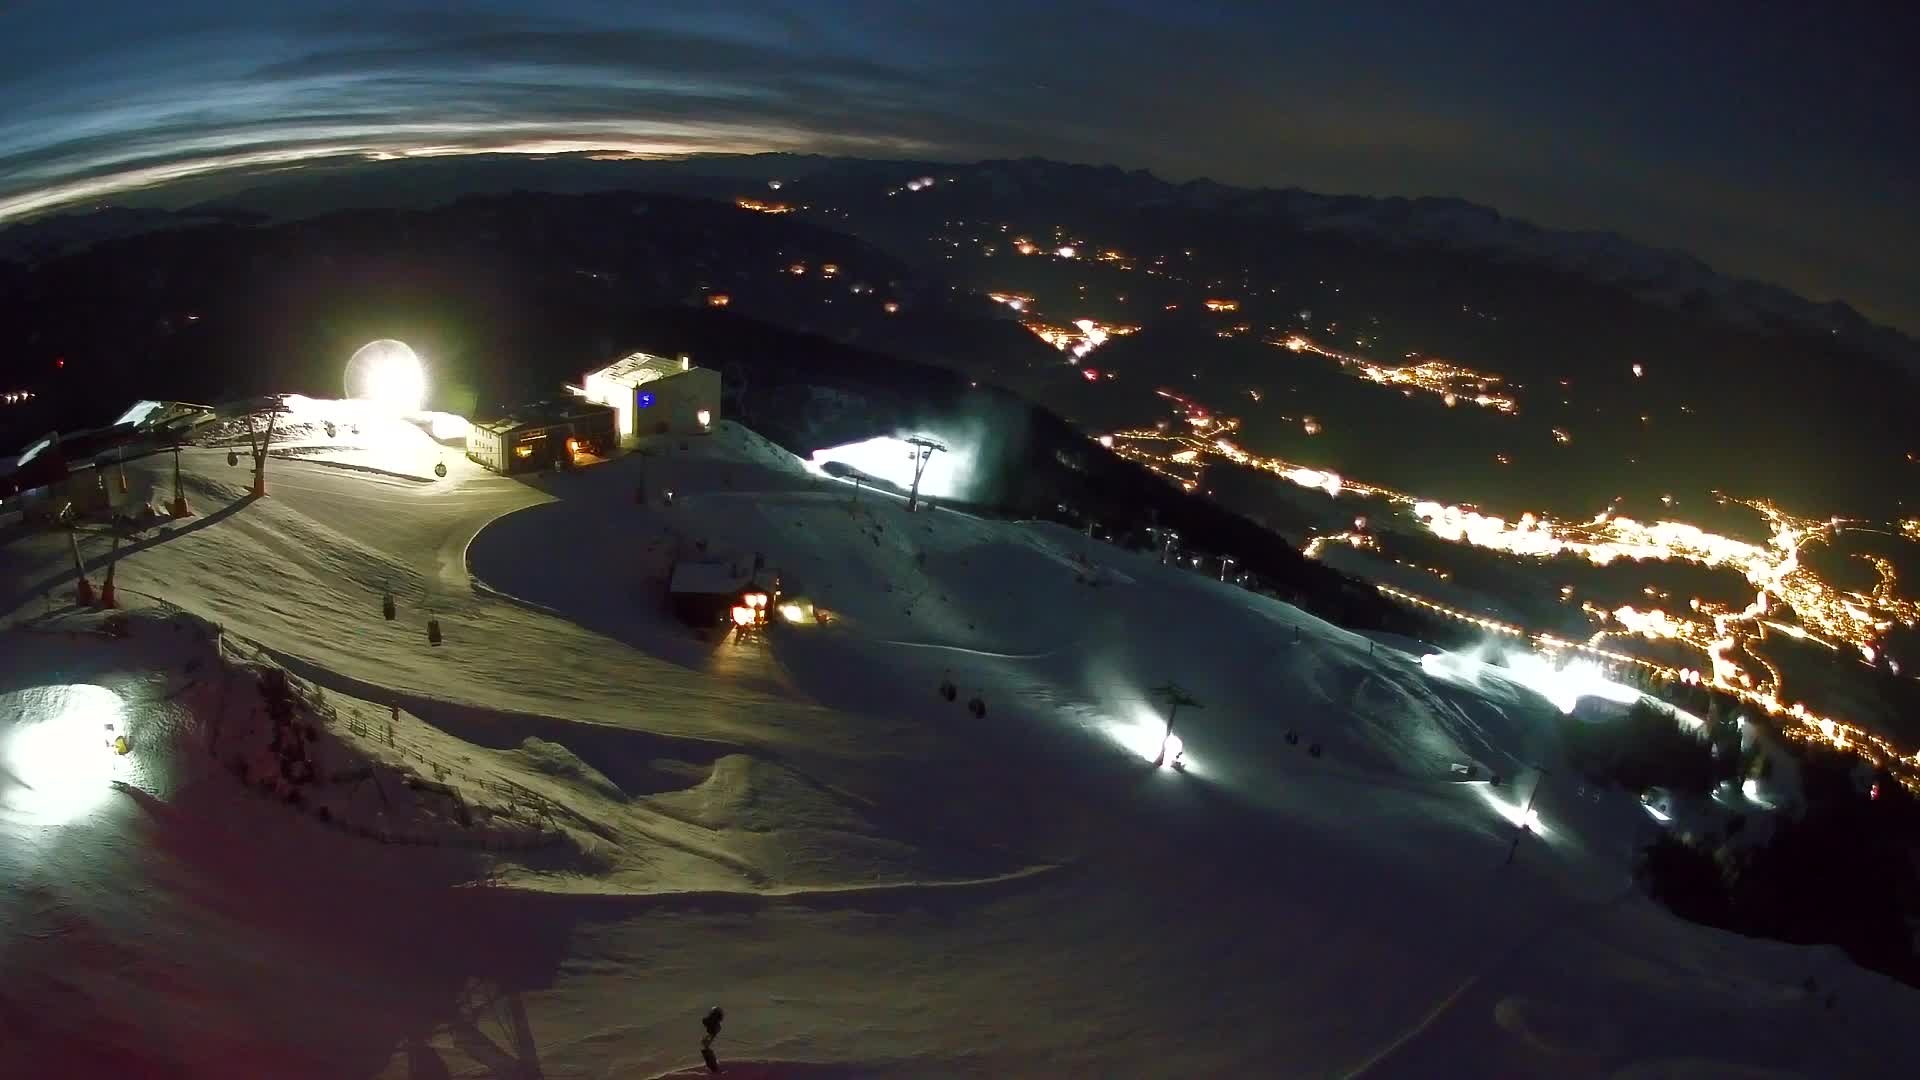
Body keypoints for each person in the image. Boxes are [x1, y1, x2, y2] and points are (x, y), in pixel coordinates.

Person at [701, 1006, 725, 1073]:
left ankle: (713, 1066)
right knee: (706, 1048)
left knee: (706, 1048)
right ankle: (713, 1066)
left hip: (709, 1039)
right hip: (708, 1039)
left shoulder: (715, 1025)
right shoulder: (715, 1025)